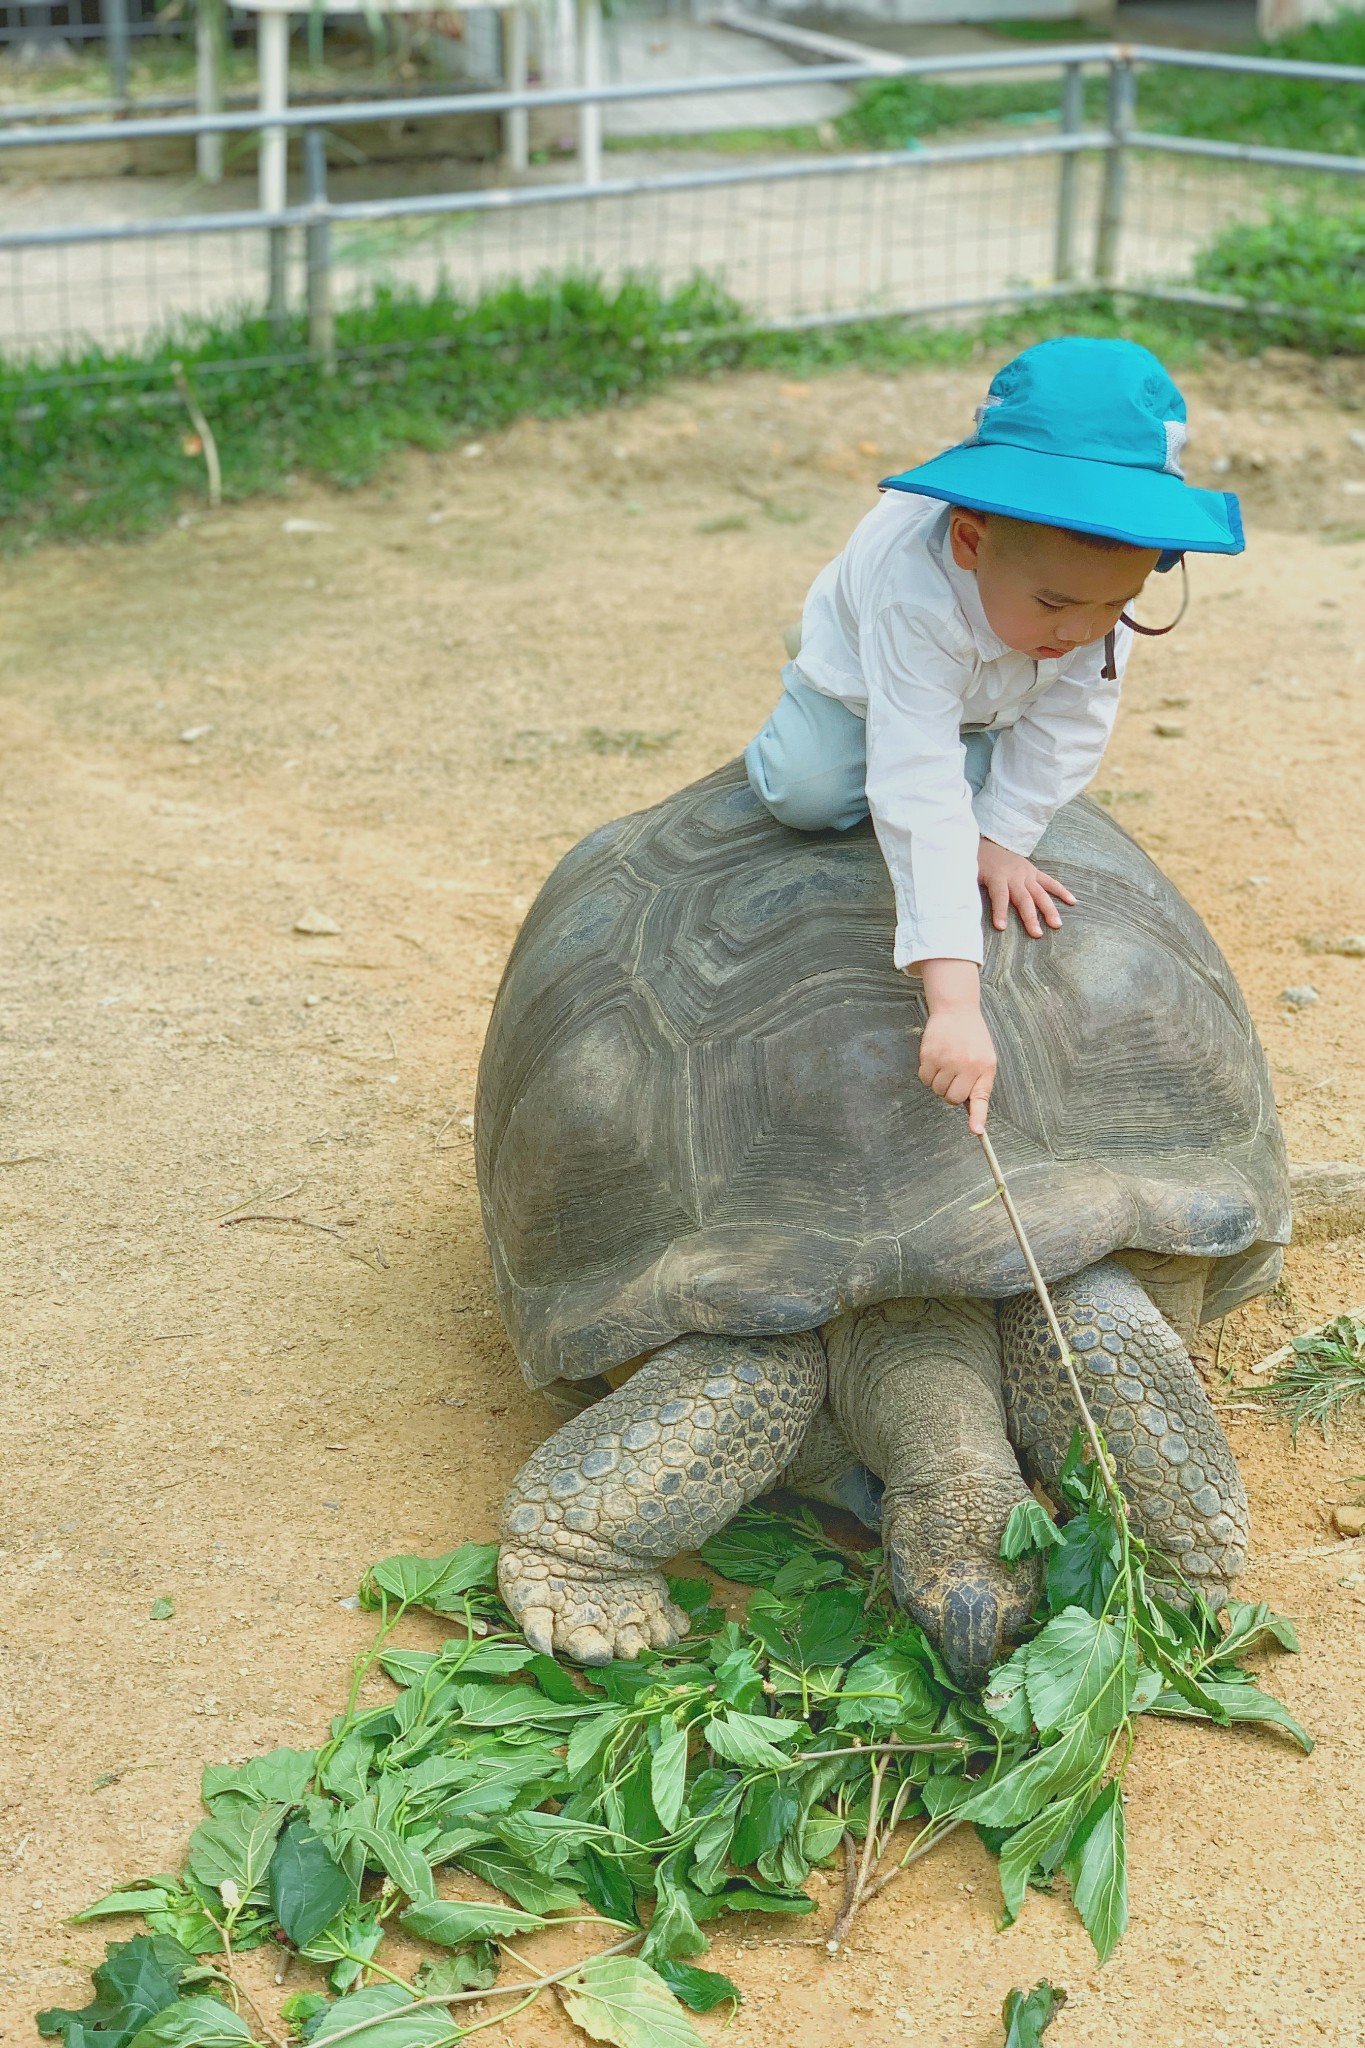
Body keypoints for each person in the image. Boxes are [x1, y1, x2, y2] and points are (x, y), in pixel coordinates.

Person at [745, 336, 1243, 1134]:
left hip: (996, 682)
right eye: (1055, 604)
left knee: (1004, 766)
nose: (1082, 628)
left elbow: (1075, 718)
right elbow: (912, 784)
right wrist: (952, 1000)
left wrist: (1002, 835)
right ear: (970, 542)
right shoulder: (914, 588)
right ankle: (817, 659)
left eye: (1110, 606)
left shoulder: (1085, 603)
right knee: (807, 793)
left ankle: (975, 724)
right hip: (872, 680)